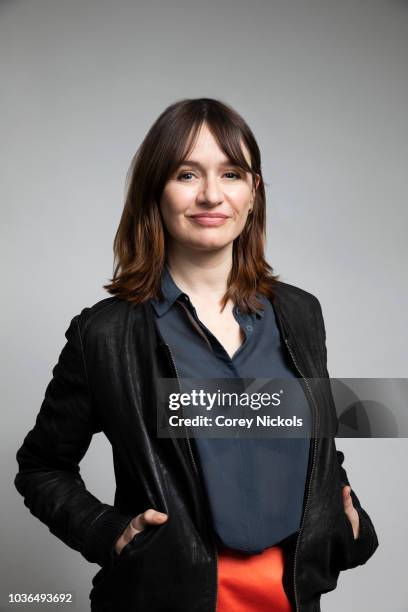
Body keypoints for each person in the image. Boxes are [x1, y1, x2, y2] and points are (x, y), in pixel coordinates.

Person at [14, 97, 379, 612]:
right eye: (187, 174)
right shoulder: (105, 334)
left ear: (253, 193)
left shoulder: (301, 313)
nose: (211, 195)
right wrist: (109, 532)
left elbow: (317, 444)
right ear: (155, 192)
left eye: (231, 174)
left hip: (291, 598)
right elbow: (41, 467)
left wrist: (346, 516)